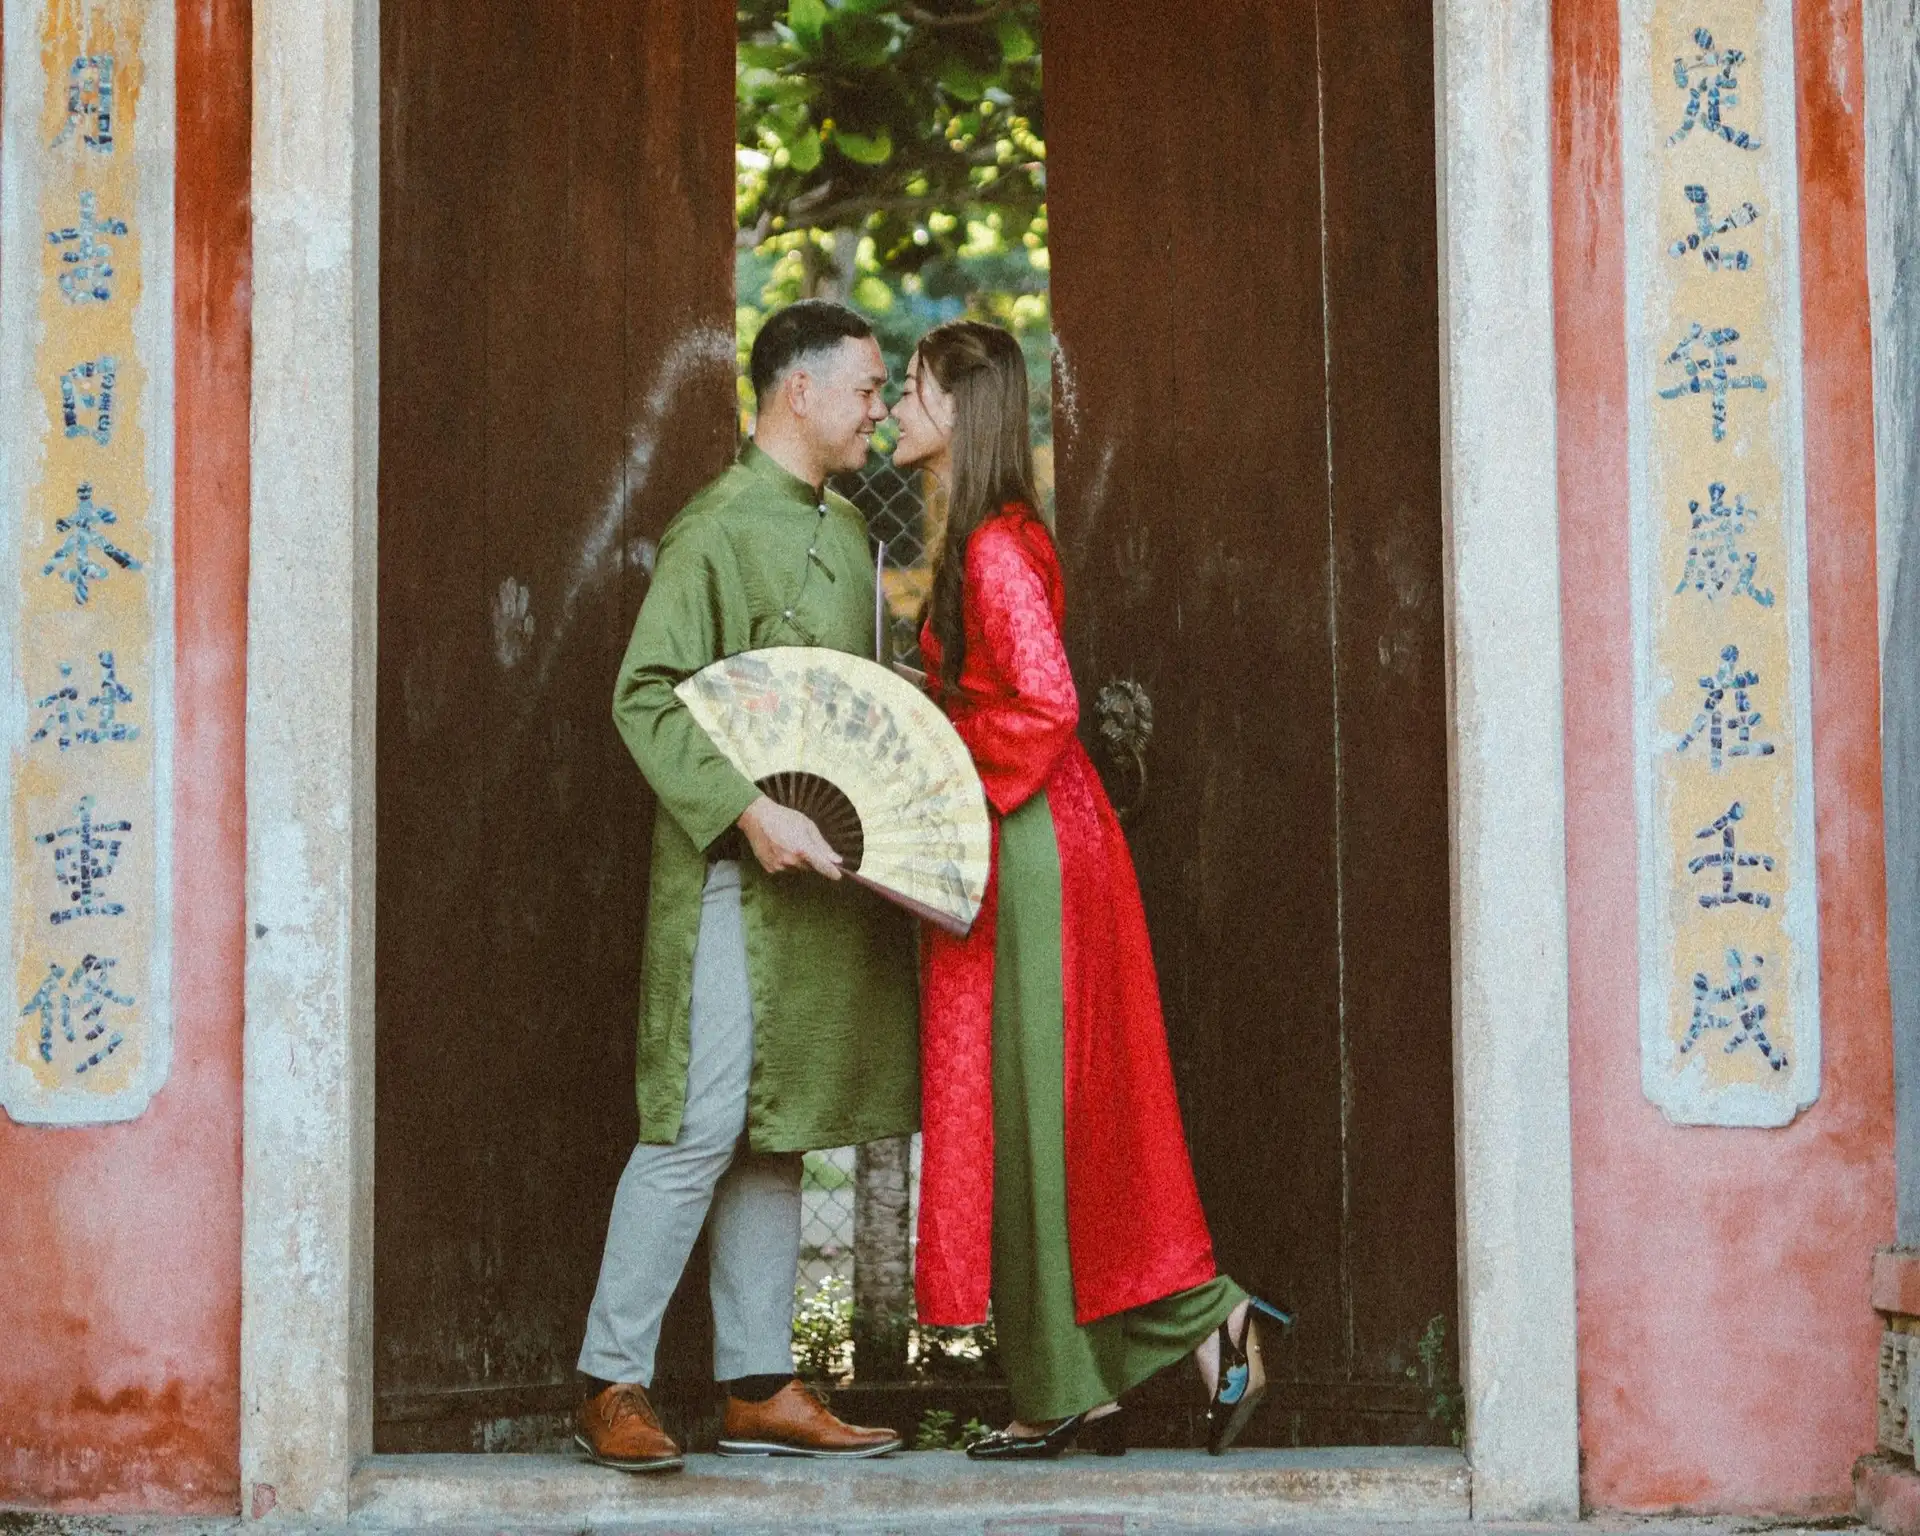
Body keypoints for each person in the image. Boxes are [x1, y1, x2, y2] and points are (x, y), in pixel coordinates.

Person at [891, 319, 1290, 1460]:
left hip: (1029, 844)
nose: (898, 412)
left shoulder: (991, 552)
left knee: (1038, 1118)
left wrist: (940, 757)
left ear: (963, 409)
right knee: (1047, 1119)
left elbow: (1049, 705)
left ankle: (1153, 1346)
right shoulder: (989, 535)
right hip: (1038, 837)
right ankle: (1100, 1377)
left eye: (913, 391)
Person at [574, 300, 917, 1471]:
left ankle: (759, 1385)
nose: (878, 409)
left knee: (781, 1129)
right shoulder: (713, 528)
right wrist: (748, 811)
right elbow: (645, 695)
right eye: (867, 388)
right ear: (798, 394)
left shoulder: (850, 536)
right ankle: (609, 1378)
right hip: (730, 875)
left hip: (816, 892)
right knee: (697, 1126)